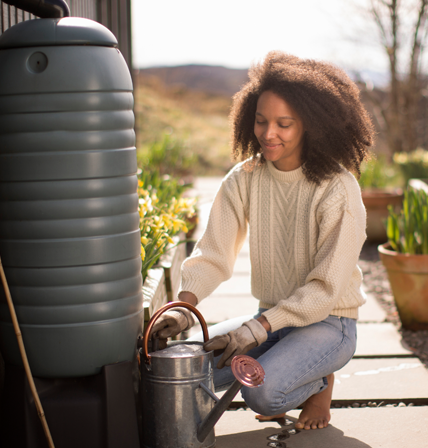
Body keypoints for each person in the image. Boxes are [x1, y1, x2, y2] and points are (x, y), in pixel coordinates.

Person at [149, 51, 375, 430]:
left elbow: (324, 289)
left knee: (262, 393)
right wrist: (182, 308)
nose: (269, 134)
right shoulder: (244, 178)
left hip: (329, 323)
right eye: (261, 121)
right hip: (269, 318)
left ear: (310, 125)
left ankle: (318, 383)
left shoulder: (338, 189)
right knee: (187, 371)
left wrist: (256, 330)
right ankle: (291, 363)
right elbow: (212, 254)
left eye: (284, 124)